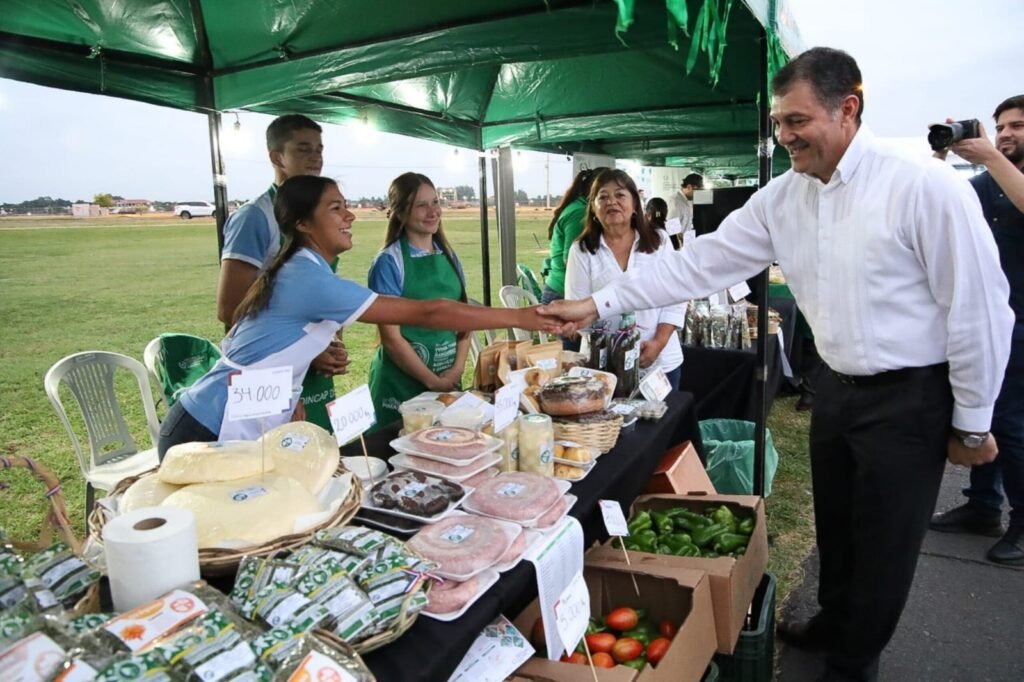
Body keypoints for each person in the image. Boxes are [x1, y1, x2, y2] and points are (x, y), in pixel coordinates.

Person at [542, 47, 1013, 681]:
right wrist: (595, 301)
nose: (782, 136)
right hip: (836, 392)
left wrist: (973, 423)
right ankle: (832, 621)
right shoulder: (782, 197)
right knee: (839, 526)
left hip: (911, 399)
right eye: (777, 122)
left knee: (885, 544)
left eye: (796, 121)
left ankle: (853, 662)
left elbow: (981, 312)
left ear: (848, 109)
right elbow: (695, 264)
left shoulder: (922, 188)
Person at [159, 176, 559, 455]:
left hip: (243, 421)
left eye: (347, 207)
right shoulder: (307, 277)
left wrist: (290, 396)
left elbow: (261, 349)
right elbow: (429, 312)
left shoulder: (306, 269)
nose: (350, 217)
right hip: (208, 426)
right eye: (336, 209)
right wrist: (525, 317)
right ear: (302, 223)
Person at [930, 94, 1024, 566]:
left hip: (1022, 323)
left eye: (1018, 126)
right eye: (1001, 126)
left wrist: (989, 154)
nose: (1006, 134)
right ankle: (983, 507)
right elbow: (939, 204)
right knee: (980, 415)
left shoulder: (1007, 177)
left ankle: (1023, 526)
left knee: (1012, 423)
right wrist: (938, 156)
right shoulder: (985, 183)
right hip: (986, 319)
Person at [215, 114, 346, 433]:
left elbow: (323, 293)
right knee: (276, 466)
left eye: (319, 149)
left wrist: (332, 342)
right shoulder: (255, 217)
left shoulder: (317, 216)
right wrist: (311, 350)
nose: (316, 157)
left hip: (312, 368)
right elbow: (231, 309)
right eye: (303, 149)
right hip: (271, 369)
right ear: (276, 157)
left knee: (320, 459)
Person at [366, 173, 469, 429]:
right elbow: (391, 337)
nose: (432, 211)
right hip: (400, 384)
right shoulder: (389, 262)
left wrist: (455, 372)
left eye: (435, 202)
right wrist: (433, 381)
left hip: (447, 378)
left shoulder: (450, 257)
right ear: (400, 213)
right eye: (421, 205)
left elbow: (465, 321)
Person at [565, 169, 685, 389]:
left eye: (620, 195)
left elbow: (676, 296)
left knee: (663, 422)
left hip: (660, 362)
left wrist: (658, 342)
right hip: (602, 367)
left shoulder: (659, 241)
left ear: (635, 205)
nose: (612, 202)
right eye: (603, 197)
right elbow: (576, 307)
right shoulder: (582, 250)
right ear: (593, 208)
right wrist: (616, 348)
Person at [541, 167, 606, 306]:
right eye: (605, 194)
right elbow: (570, 259)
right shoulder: (580, 213)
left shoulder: (579, 207)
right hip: (562, 293)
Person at [666, 172, 703, 245]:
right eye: (698, 190)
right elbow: (673, 230)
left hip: (687, 243)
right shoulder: (675, 201)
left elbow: (689, 225)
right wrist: (682, 246)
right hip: (678, 247)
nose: (699, 194)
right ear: (689, 187)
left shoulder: (690, 201)